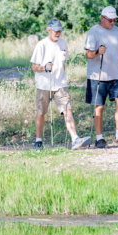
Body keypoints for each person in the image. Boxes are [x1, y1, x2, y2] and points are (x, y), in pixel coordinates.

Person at [31, 19, 92, 150]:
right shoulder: (41, 45)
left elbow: (63, 62)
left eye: (60, 31)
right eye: (55, 31)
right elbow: (34, 67)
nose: (58, 33)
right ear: (49, 30)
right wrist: (44, 68)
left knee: (67, 109)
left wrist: (63, 77)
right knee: (41, 112)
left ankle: (75, 139)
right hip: (44, 84)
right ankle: (38, 140)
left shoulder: (63, 43)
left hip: (60, 83)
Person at [84, 7, 118, 148]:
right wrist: (98, 52)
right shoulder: (93, 32)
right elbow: (88, 54)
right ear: (102, 18)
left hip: (115, 74)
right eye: (110, 20)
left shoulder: (117, 31)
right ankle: (99, 139)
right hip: (97, 75)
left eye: (114, 20)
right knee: (99, 107)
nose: (112, 22)